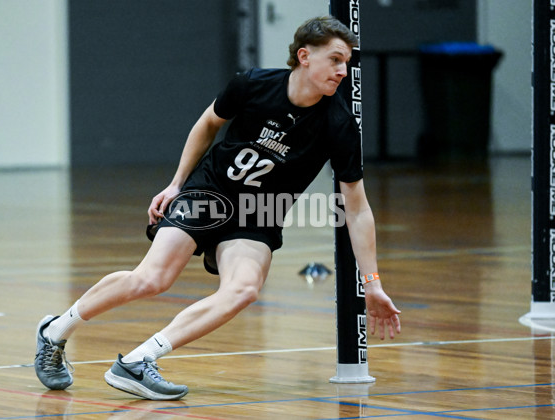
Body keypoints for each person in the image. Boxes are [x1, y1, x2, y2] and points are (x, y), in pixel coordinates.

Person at [34, 15, 401, 401]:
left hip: (259, 213)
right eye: (336, 60)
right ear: (305, 56)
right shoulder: (253, 84)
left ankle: (140, 360)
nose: (344, 71)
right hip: (210, 191)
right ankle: (55, 330)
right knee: (152, 279)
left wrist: (372, 284)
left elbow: (356, 209)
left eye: (347, 63)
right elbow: (208, 123)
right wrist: (176, 183)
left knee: (243, 289)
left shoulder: (339, 123)